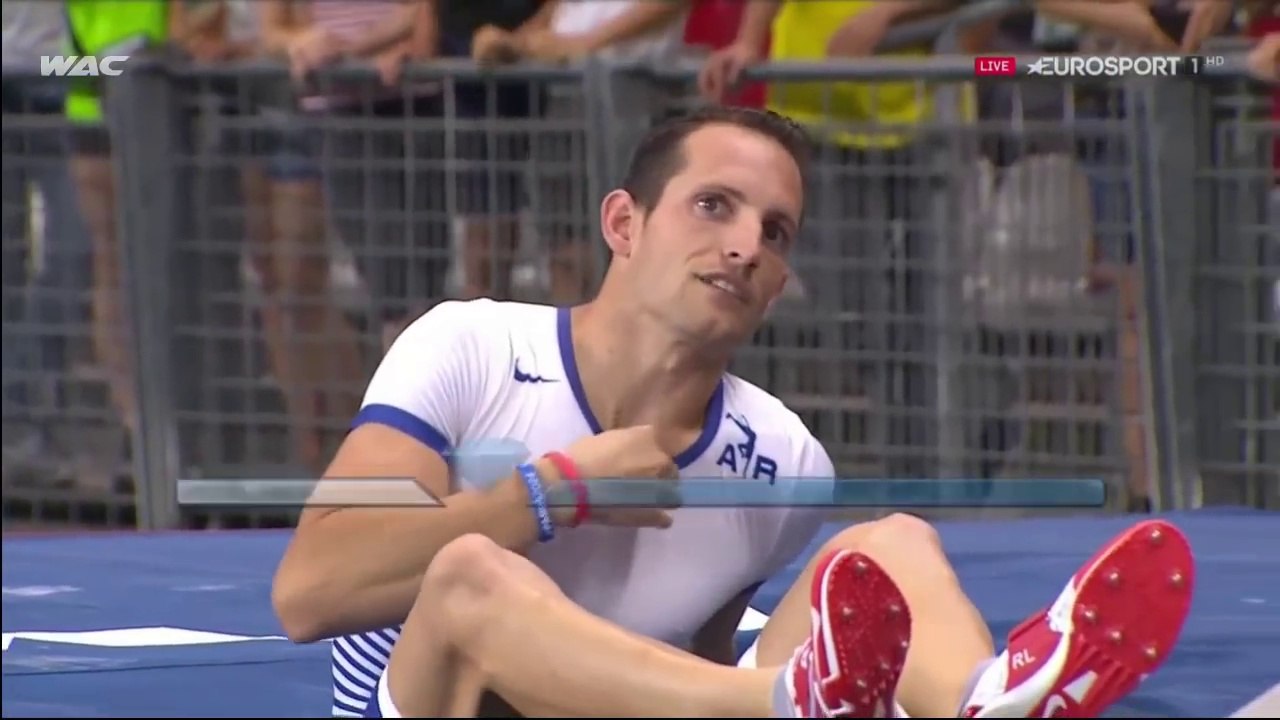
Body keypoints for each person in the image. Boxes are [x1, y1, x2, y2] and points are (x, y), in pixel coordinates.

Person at [271, 106, 1196, 718]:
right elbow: (309, 594)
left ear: (782, 278)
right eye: (713, 206)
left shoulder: (785, 460)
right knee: (475, 572)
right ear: (624, 224)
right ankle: (791, 702)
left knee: (889, 543)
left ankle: (983, 699)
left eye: (775, 231)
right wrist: (547, 494)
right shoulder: (469, 345)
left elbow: (695, 654)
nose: (745, 245)